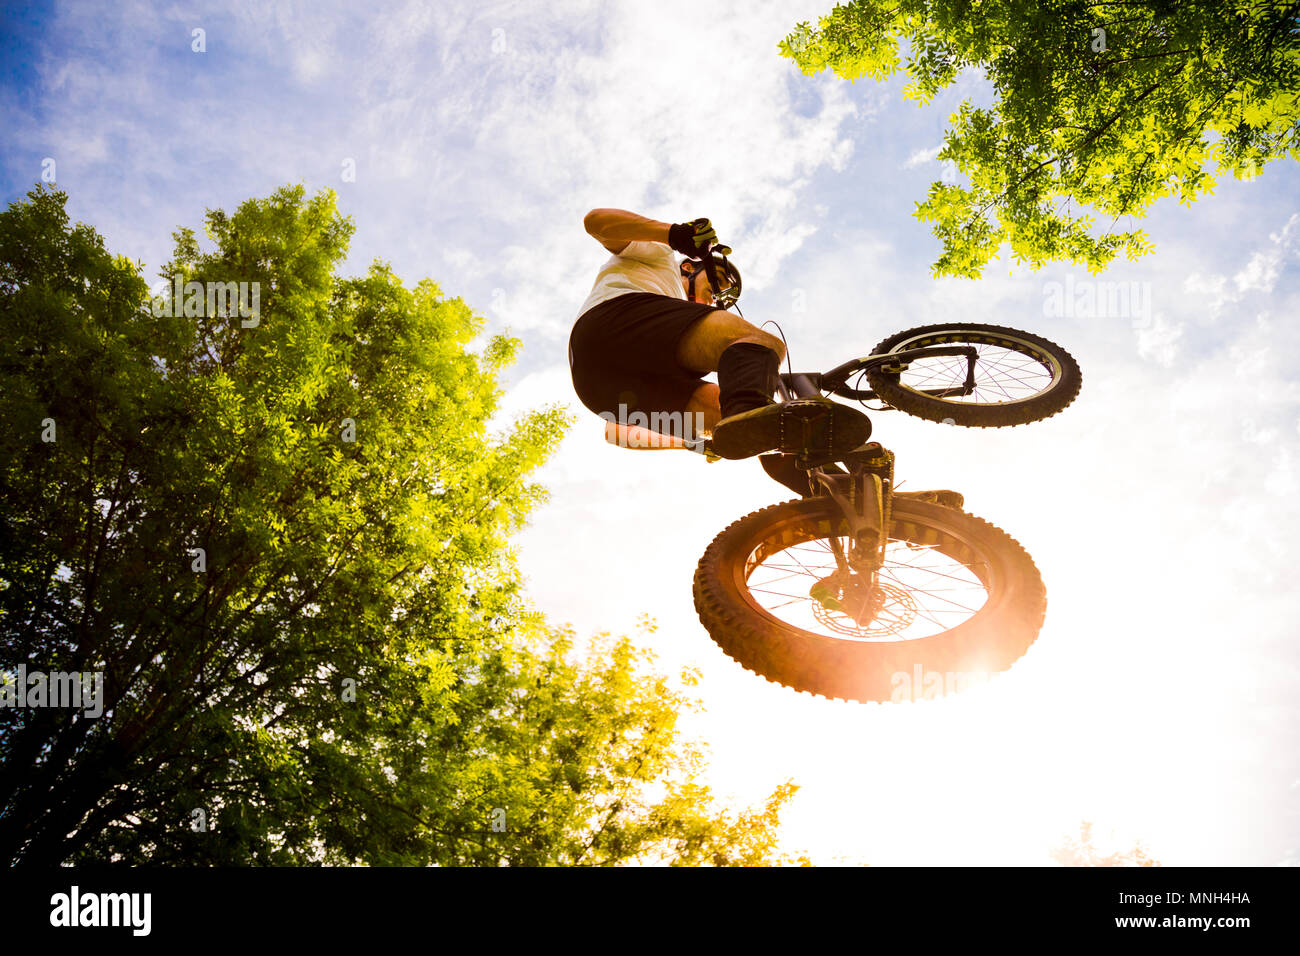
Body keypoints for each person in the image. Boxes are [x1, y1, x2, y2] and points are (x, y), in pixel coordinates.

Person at [569, 208, 871, 496]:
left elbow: (616, 430)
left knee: (739, 423)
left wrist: (696, 441)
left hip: (597, 386)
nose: (715, 300)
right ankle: (749, 412)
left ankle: (836, 497)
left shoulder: (673, 325)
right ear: (689, 268)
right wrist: (673, 234)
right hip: (613, 322)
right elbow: (596, 221)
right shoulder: (661, 258)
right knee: (762, 343)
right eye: (715, 288)